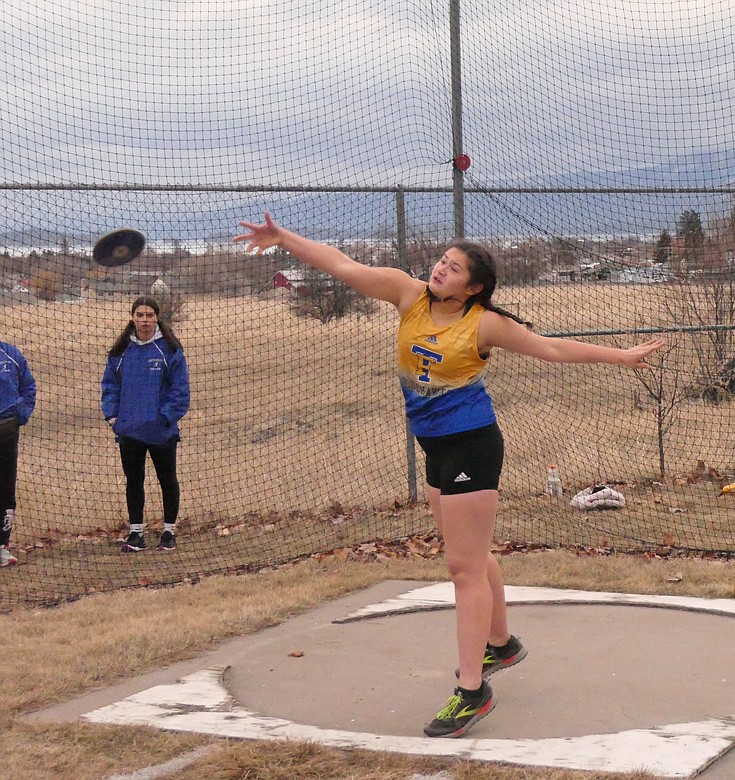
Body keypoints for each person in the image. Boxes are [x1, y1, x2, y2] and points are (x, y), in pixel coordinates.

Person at [235, 212, 665, 739]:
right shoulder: (407, 293)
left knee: (462, 568)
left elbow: (551, 348)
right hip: (434, 448)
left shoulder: (483, 323)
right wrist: (282, 239)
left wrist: (622, 356)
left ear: (473, 287)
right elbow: (343, 265)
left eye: (454, 267)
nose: (441, 269)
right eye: (442, 260)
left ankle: (471, 690)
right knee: (473, 555)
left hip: (472, 447)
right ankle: (502, 644)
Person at [101, 296, 190, 552]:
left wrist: (165, 417)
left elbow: (180, 390)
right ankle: (136, 533)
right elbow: (110, 386)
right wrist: (113, 417)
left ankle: (169, 532)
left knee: (167, 479)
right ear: (132, 317)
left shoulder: (170, 350)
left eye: (150, 315)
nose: (145, 320)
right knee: (134, 481)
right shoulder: (120, 352)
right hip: (129, 430)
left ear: (157, 318)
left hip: (161, 431)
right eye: (140, 315)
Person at [0, 340, 36, 567]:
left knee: (5, 490)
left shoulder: (11, 354)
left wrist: (19, 415)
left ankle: (2, 547)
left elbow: (28, 387)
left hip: (6, 430)